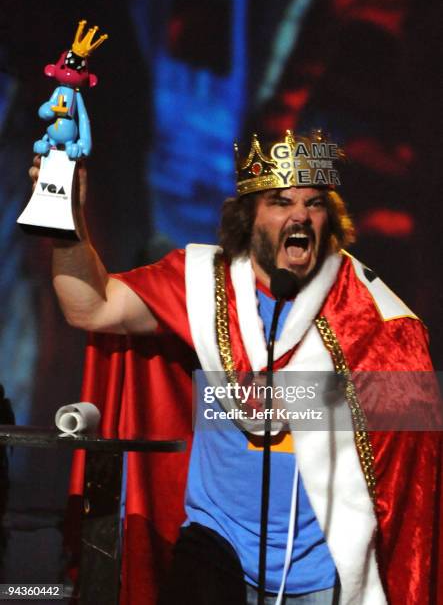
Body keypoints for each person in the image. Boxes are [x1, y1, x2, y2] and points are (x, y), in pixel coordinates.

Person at [31, 130, 442, 605]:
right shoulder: (203, 284)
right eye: (280, 201)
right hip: (215, 544)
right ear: (249, 218)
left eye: (314, 203)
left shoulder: (370, 313)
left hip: (320, 571)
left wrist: (304, 399)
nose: (300, 216)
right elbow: (92, 307)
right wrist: (67, 222)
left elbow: (414, 427)